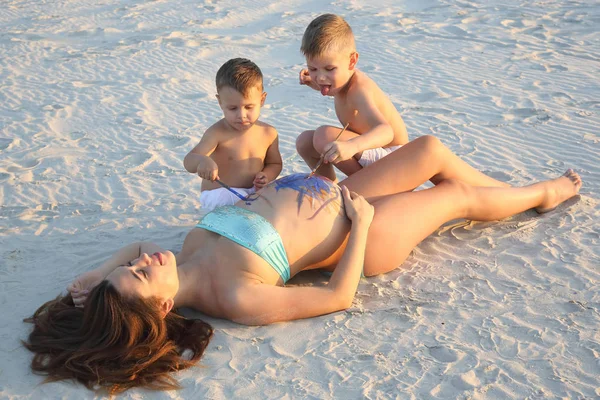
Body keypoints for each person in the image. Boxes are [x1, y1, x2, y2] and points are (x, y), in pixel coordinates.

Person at [24, 136, 582, 393]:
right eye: (142, 273)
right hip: (365, 232)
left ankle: (505, 195)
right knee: (456, 195)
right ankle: (540, 194)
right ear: (164, 305)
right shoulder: (233, 297)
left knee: (432, 152)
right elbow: (337, 297)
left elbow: (136, 245)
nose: (144, 259)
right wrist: (361, 226)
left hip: (334, 196)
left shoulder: (185, 254)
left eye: (136, 265)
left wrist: (103, 275)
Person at [296, 13, 410, 181]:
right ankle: (329, 187)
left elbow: (386, 132)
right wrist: (311, 82)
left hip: (395, 159)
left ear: (351, 61)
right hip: (377, 156)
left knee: (324, 136)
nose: (320, 77)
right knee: (305, 142)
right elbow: (336, 91)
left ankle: (362, 185)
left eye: (329, 69)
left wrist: (352, 146)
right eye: (313, 69)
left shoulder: (359, 89)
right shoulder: (341, 83)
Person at [184, 58, 283, 212]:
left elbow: (275, 164)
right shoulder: (217, 133)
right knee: (241, 204)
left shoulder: (268, 133)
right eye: (232, 108)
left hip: (253, 192)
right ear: (220, 102)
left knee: (282, 198)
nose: (241, 115)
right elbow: (189, 161)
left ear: (262, 100)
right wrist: (202, 161)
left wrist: (266, 176)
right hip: (222, 194)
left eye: (249, 107)